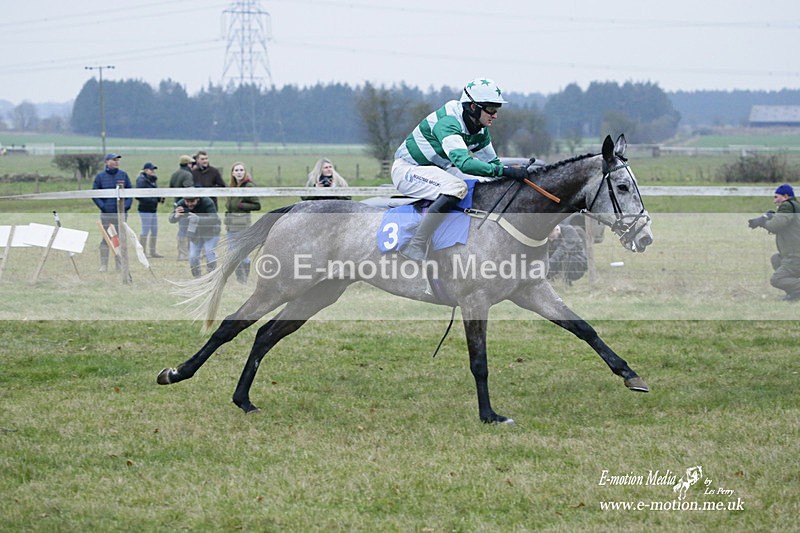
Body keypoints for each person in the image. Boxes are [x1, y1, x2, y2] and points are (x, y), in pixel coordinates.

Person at [391, 77, 528, 261]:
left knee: (485, 184)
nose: (495, 115)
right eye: (491, 109)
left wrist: (513, 172)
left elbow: (494, 165)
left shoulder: (479, 128)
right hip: (408, 170)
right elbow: (464, 163)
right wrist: (504, 171)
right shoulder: (448, 122)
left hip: (438, 169)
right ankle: (416, 244)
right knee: (456, 187)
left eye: (497, 109)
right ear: (473, 106)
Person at [748, 183, 800, 300]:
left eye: (776, 197)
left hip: (796, 256)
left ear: (786, 196)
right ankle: (795, 294)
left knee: (777, 279)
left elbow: (775, 226)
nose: (774, 201)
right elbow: (784, 224)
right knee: (776, 259)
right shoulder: (795, 206)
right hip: (793, 254)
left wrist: (763, 221)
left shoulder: (787, 206)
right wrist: (768, 217)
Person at [92, 153, 132, 272]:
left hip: (121, 213)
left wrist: (126, 206)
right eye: (113, 160)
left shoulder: (123, 175)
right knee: (106, 238)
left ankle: (119, 264)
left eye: (117, 160)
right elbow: (95, 194)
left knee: (119, 238)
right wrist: (103, 206)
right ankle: (104, 264)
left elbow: (130, 192)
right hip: (107, 213)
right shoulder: (100, 177)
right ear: (107, 162)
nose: (116, 162)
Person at [224, 162, 261, 283]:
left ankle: (243, 278)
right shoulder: (232, 187)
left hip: (243, 225)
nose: (239, 172)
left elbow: (257, 205)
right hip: (230, 225)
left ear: (245, 172)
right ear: (232, 173)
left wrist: (242, 205)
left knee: (244, 256)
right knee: (232, 254)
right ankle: (239, 278)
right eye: (236, 170)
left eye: (241, 170)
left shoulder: (248, 187)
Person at [169, 194, 221, 278]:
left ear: (198, 199)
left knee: (209, 253)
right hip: (196, 233)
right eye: (187, 202)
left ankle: (211, 277)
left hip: (211, 232)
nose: (189, 204)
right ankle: (197, 277)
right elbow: (171, 218)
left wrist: (198, 219)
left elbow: (214, 219)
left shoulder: (207, 202)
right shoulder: (181, 203)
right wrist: (175, 216)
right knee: (193, 257)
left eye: (192, 201)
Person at [135, 162, 164, 258]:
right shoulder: (141, 180)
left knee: (154, 230)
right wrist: (153, 199)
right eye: (151, 169)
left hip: (152, 208)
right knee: (145, 230)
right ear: (146, 170)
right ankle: (142, 251)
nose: (153, 171)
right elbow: (140, 195)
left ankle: (152, 251)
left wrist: (159, 198)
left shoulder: (152, 180)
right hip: (145, 209)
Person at [170, 154, 195, 260]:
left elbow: (171, 187)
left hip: (177, 203)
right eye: (191, 163)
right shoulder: (187, 175)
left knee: (181, 229)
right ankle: (185, 253)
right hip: (186, 204)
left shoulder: (175, 174)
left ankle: (181, 253)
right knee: (187, 229)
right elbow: (189, 190)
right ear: (188, 164)